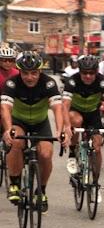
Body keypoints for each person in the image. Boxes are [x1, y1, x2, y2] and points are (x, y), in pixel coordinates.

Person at [1, 51, 69, 211]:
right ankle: (15, 183)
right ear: (19, 71)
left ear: (40, 71)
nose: (29, 77)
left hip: (40, 123)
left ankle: (41, 191)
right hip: (19, 122)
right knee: (15, 140)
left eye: (34, 73)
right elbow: (5, 108)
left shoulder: (48, 83)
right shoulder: (11, 83)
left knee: (46, 154)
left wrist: (60, 131)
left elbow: (57, 108)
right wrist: (8, 129)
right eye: (25, 73)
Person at [62, 55, 104, 183]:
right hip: (76, 112)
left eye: (91, 73)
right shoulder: (72, 81)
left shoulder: (102, 82)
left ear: (96, 71)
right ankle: (72, 153)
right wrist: (67, 126)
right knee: (76, 121)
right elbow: (65, 105)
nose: (88, 76)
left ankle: (95, 182)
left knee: (97, 148)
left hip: (93, 114)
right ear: (79, 71)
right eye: (84, 73)